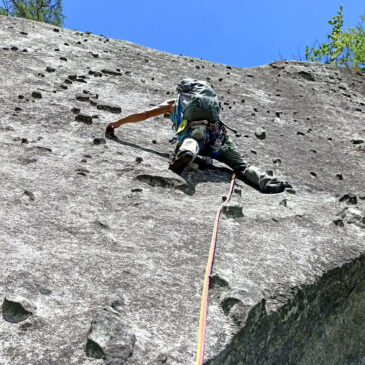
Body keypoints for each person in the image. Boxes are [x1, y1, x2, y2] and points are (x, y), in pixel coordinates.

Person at [106, 80, 292, 194]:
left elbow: (145, 113)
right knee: (241, 166)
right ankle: (268, 183)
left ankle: (187, 153)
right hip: (218, 138)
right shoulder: (207, 102)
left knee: (192, 140)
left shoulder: (174, 103)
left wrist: (119, 122)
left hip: (197, 133)